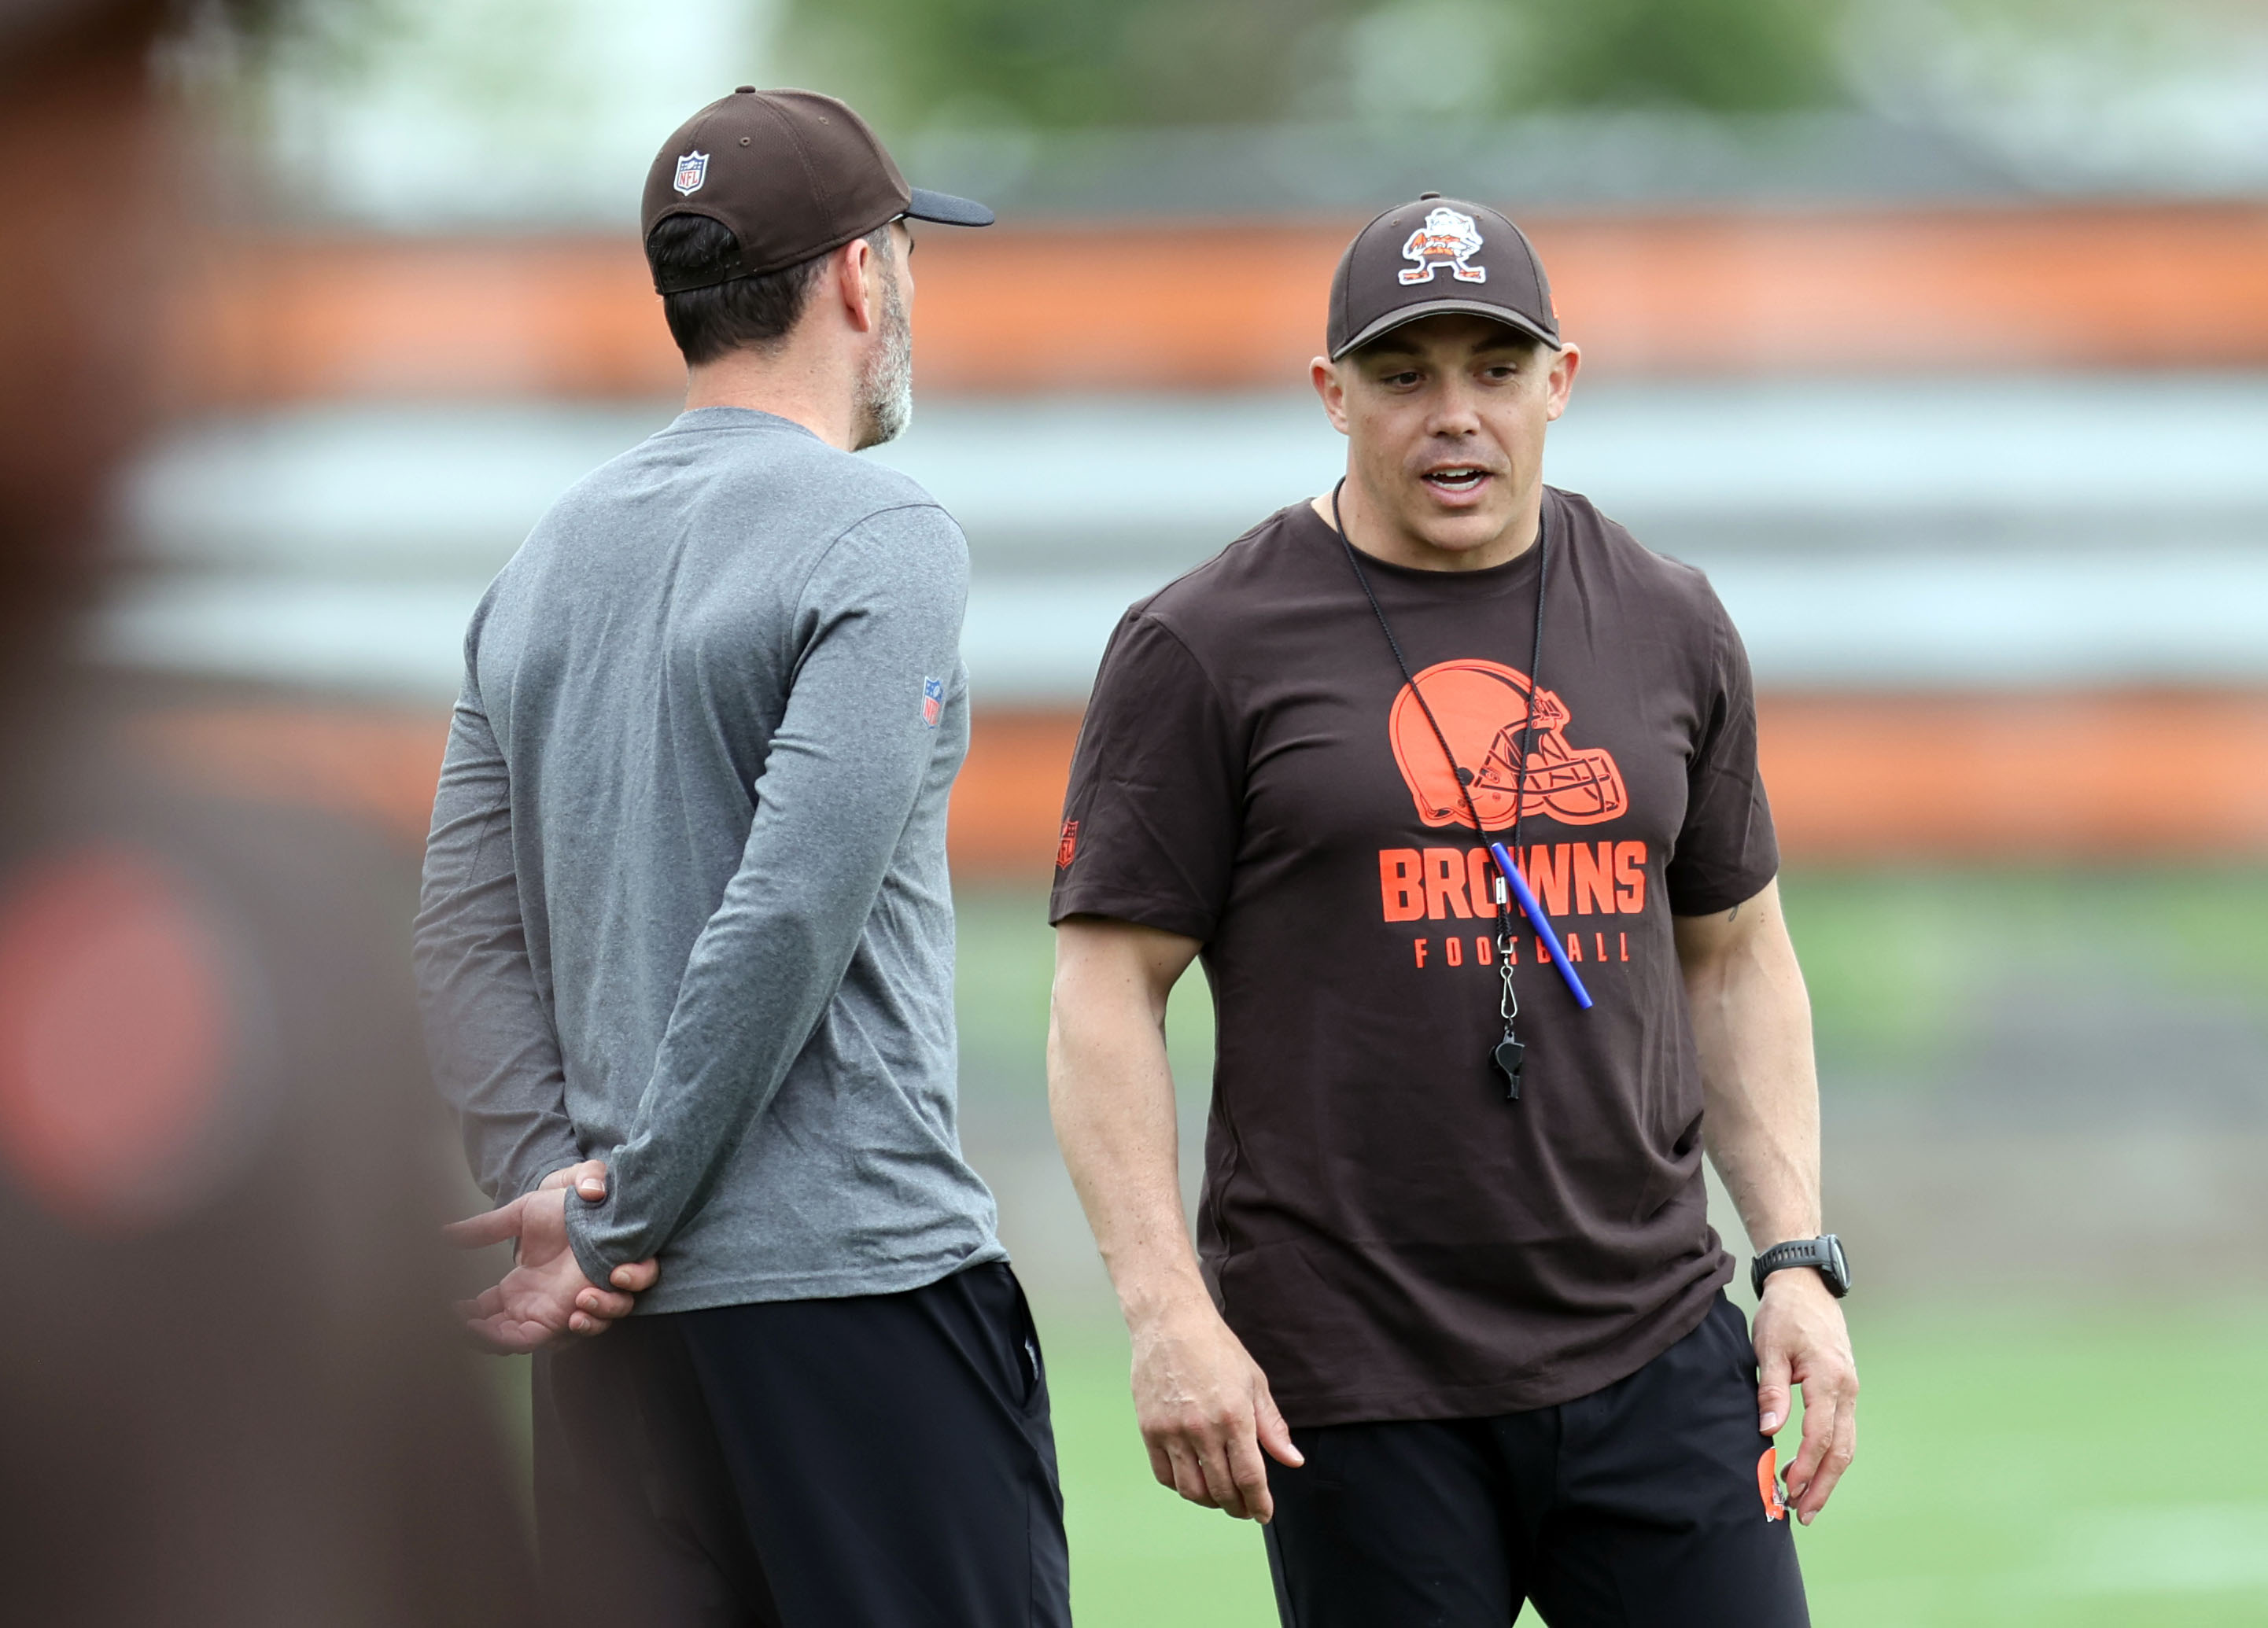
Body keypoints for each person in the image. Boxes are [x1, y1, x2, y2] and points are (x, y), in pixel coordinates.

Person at [1046, 194, 1858, 1626]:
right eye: (1404, 374)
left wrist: (1794, 1257)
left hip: (1655, 1340)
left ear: (1562, 381)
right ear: (1331, 395)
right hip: (1359, 1379)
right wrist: (1170, 1313)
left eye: (1494, 367)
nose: (1454, 416)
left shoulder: (1670, 618)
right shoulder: (1203, 644)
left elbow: (1736, 957)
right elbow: (1104, 993)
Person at [414, 89, 1072, 1628]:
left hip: (610, 1351)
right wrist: (617, 1210)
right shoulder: (879, 533)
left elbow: (458, 930)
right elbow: (790, 904)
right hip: (855, 1305)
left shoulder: (538, 565)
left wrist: (553, 1199)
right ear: (859, 276)